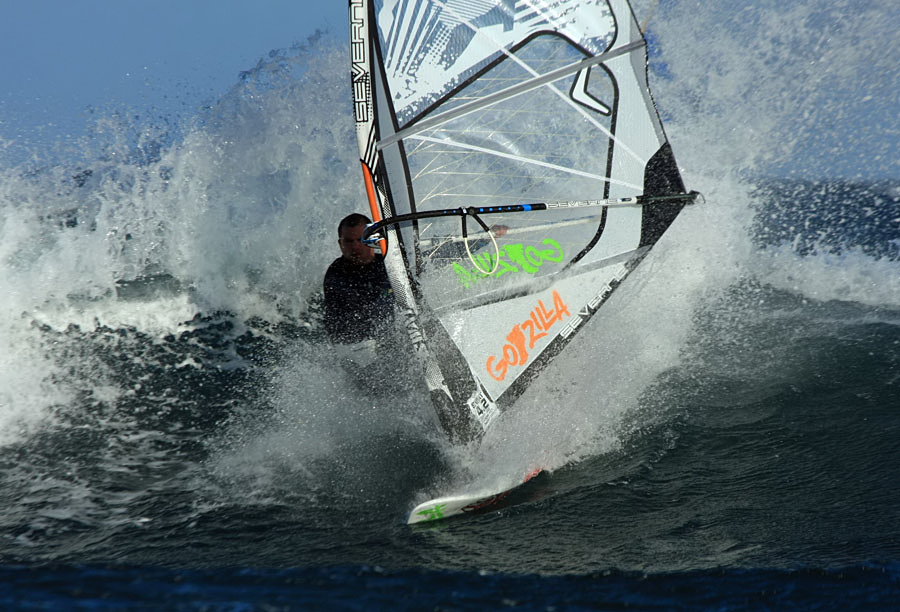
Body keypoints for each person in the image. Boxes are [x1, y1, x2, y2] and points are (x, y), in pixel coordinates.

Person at [322, 213, 394, 344]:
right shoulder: (336, 274)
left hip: (397, 333)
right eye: (349, 241)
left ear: (372, 239)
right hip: (361, 346)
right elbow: (339, 324)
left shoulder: (390, 263)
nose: (355, 246)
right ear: (340, 243)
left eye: (360, 240)